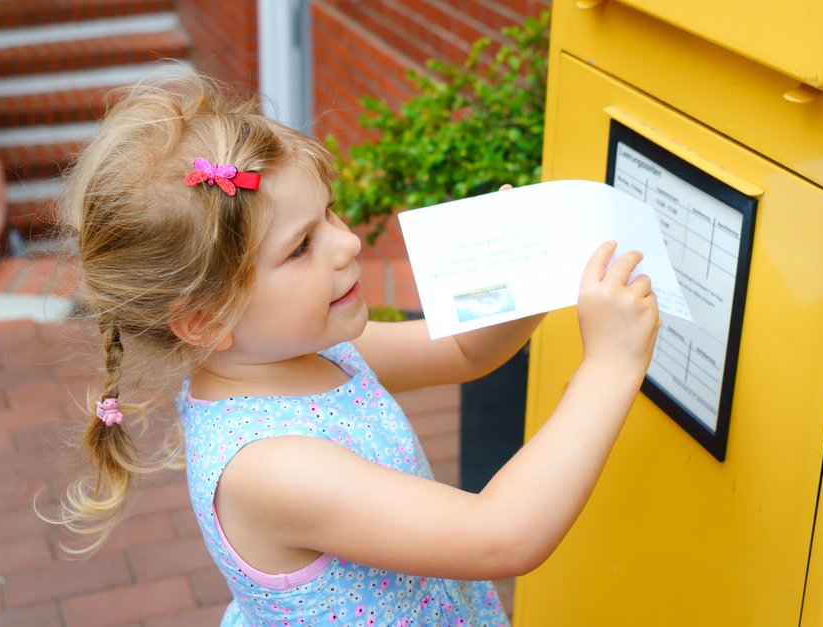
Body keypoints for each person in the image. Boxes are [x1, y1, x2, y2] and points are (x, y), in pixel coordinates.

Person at [48, 68, 659, 626]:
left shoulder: (312, 354)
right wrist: (610, 365)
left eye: (330, 214)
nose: (347, 245)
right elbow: (501, 534)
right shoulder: (267, 466)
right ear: (206, 320)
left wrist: (524, 274)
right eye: (300, 247)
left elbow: (466, 354)